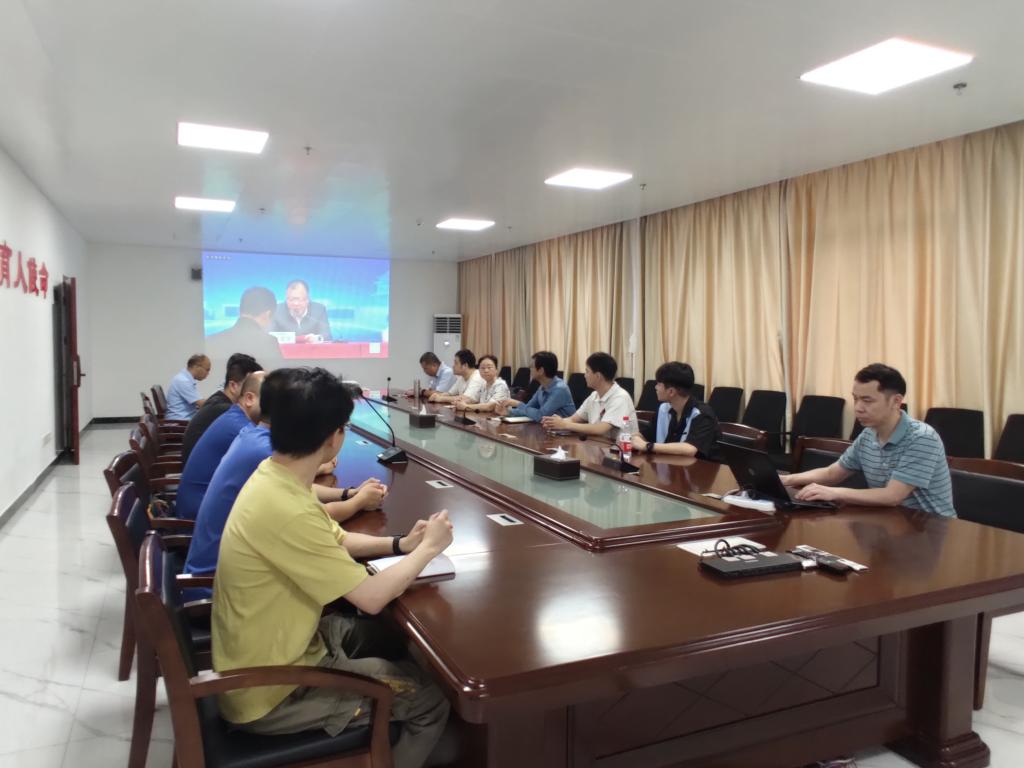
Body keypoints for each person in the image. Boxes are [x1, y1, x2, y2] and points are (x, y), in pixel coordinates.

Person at [212, 368, 452, 767]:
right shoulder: (287, 507)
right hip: (272, 690)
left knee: (389, 639)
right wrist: (427, 550)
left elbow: (336, 539)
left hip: (283, 646)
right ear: (332, 437)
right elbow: (371, 597)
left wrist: (401, 544)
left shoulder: (276, 477)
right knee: (431, 702)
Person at [184, 370, 388, 595]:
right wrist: (357, 501)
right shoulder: (263, 454)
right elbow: (310, 518)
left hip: (227, 575)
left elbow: (311, 509)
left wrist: (348, 494)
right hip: (215, 585)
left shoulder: (258, 447)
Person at [781, 363, 956, 517]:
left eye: (867, 400)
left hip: (930, 527)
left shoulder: (922, 437)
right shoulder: (868, 434)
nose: (858, 408)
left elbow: (892, 496)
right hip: (890, 520)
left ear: (896, 401)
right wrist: (786, 480)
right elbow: (831, 474)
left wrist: (833, 493)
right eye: (855, 399)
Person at [175, 371, 265, 521]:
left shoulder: (233, 415)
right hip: (197, 514)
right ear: (249, 398)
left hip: (196, 504)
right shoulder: (240, 428)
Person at [180, 353, 262, 465]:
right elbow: (255, 442)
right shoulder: (225, 410)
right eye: (251, 387)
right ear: (233, 386)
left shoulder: (219, 400)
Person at [631, 362, 722, 461]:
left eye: (659, 384)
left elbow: (690, 449)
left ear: (671, 392)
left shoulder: (703, 414)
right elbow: (645, 434)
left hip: (701, 468)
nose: (655, 387)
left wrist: (648, 446)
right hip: (669, 465)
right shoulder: (663, 409)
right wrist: (635, 439)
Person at [540, 352, 638, 440]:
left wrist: (564, 425)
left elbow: (600, 429)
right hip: (598, 446)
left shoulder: (620, 397)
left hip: (621, 450)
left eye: (587, 371)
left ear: (598, 376)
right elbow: (573, 419)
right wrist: (554, 422)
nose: (585, 375)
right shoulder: (594, 395)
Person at [205, 286, 285, 372]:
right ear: (267, 314)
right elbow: (277, 376)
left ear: (239, 310)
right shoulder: (270, 342)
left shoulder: (210, 340)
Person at [494, 351, 575, 421]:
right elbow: (528, 408)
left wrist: (518, 404)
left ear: (541, 370)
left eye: (532, 366)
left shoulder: (560, 389)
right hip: (548, 428)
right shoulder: (542, 387)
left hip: (566, 432)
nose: (529, 369)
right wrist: (508, 412)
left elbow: (541, 416)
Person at [165, 354, 211, 420]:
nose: (208, 373)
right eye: (207, 370)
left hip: (184, 419)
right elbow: (203, 404)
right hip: (180, 422)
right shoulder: (183, 381)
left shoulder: (184, 378)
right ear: (197, 367)